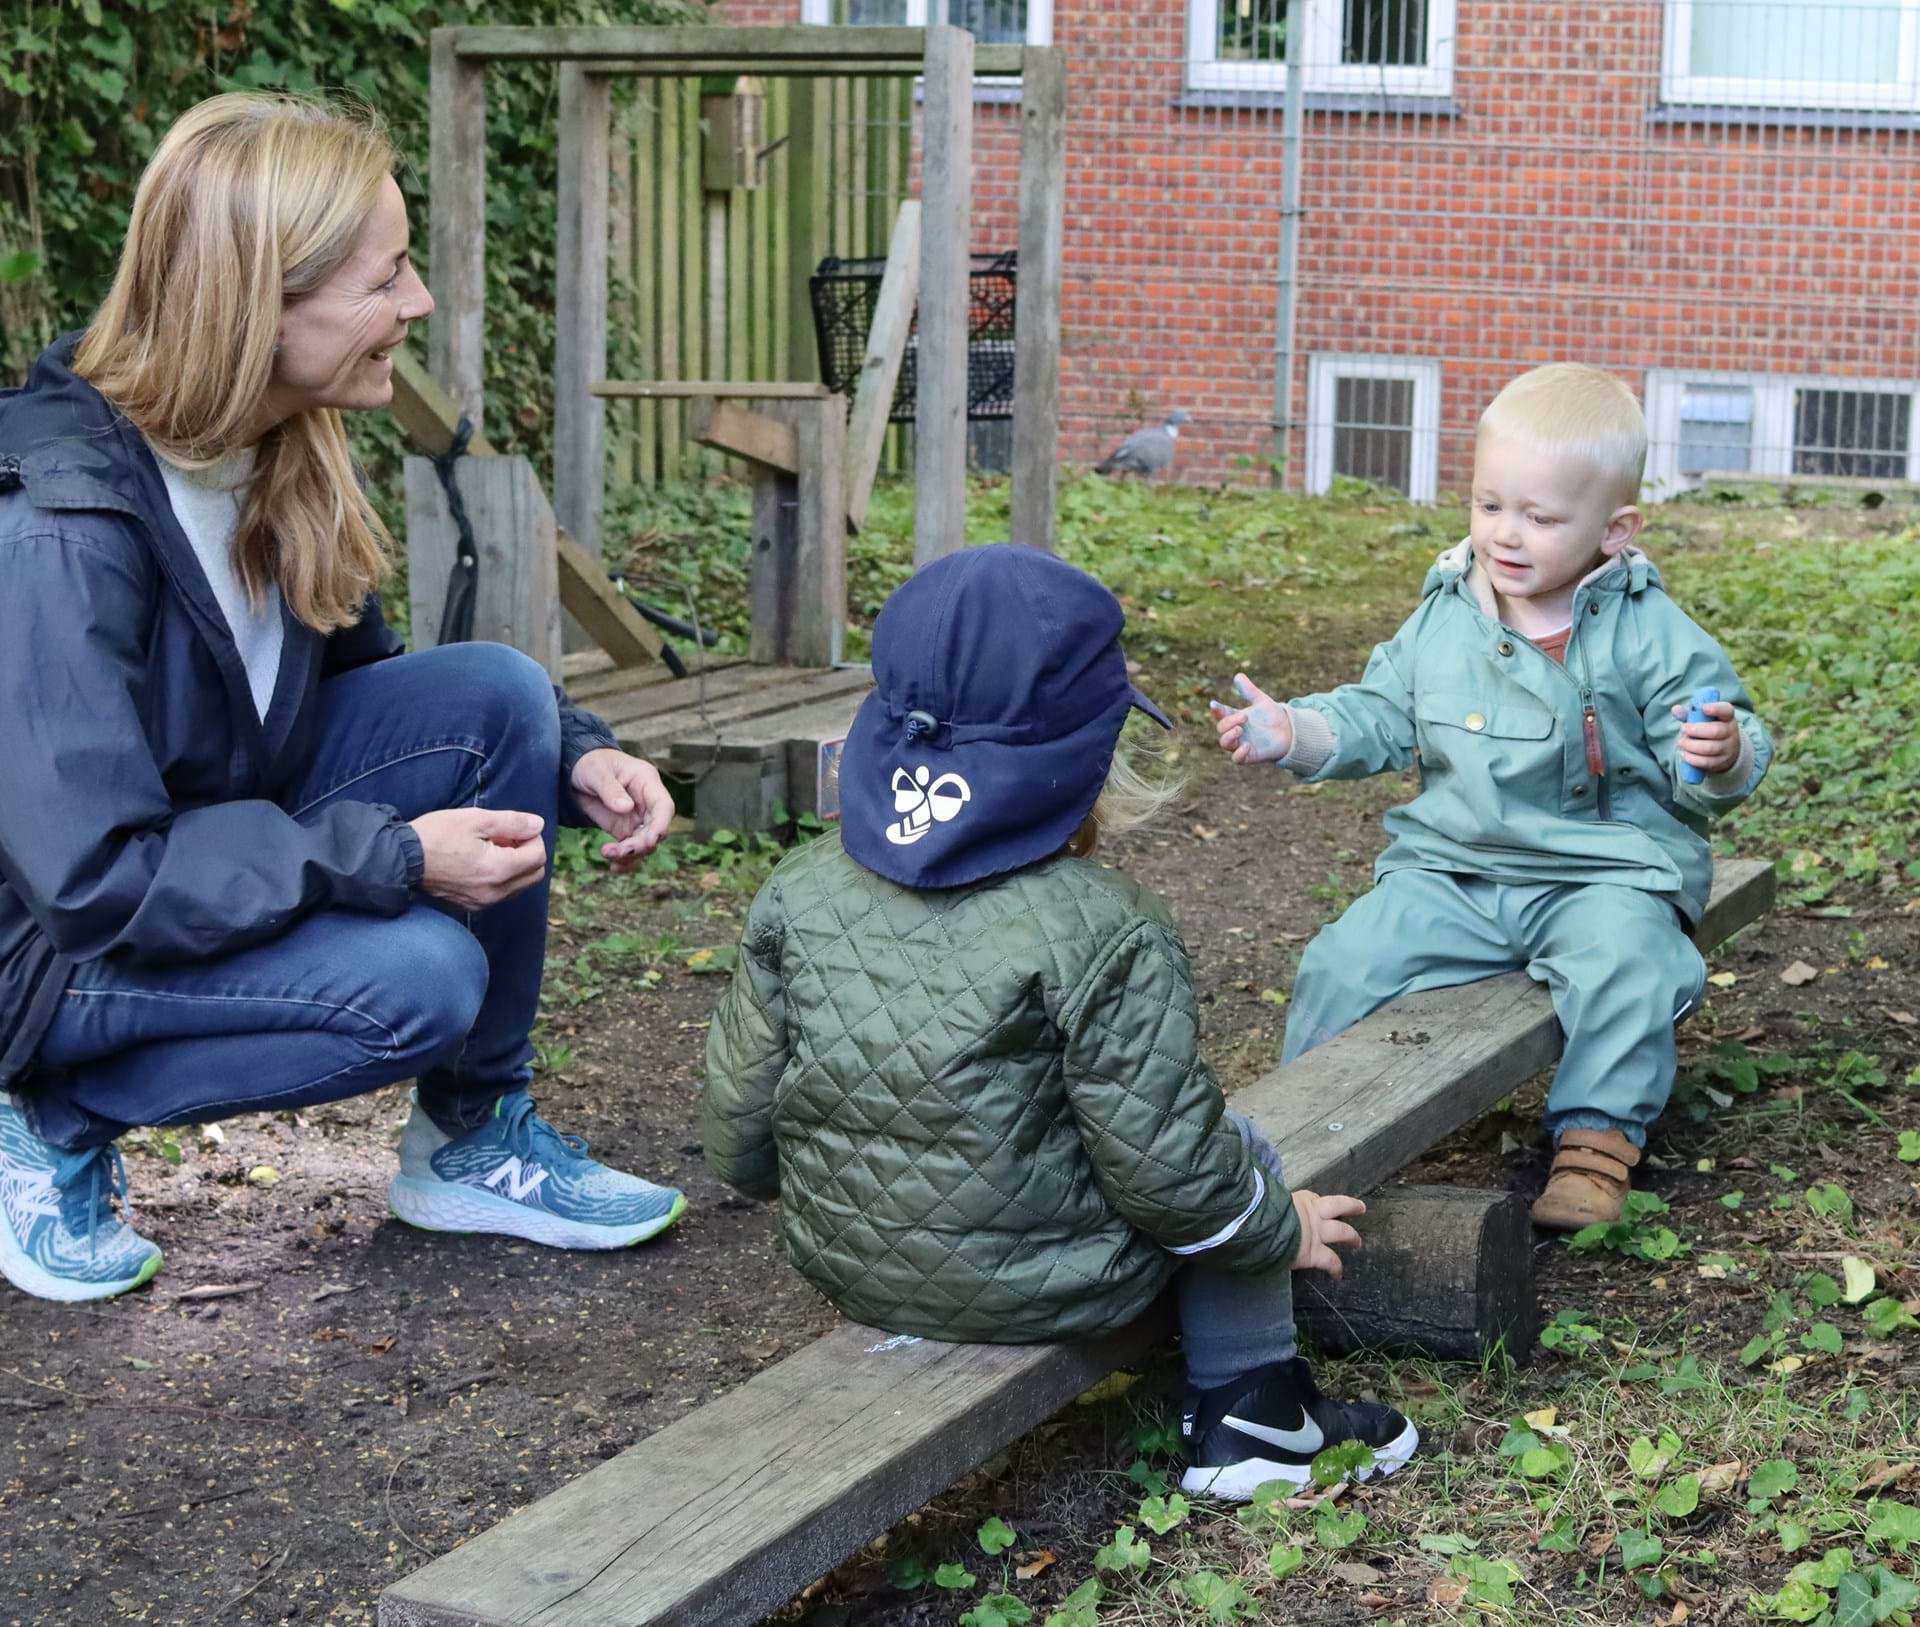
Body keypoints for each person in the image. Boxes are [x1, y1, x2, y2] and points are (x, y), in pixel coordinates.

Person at [0, 93, 686, 1305]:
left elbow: (373, 697)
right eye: (388, 278)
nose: (416, 305)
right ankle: (47, 1116)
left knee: (498, 695)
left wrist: (570, 753)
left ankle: (474, 1138)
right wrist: (390, 858)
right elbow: (100, 878)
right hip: (53, 953)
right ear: (262, 304)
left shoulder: (276, 443)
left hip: (196, 854)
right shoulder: (61, 525)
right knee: (420, 979)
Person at [701, 545, 1418, 1500]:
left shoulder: (798, 889)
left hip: (853, 1264)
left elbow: (737, 1140)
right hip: (1058, 1280)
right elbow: (1174, 1178)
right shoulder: (1104, 926)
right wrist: (1273, 1227)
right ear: (1084, 761)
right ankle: (1258, 1421)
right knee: (1234, 1149)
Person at [1213, 363, 1772, 1230]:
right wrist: (1299, 731)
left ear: (1615, 529)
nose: (1506, 536)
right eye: (1488, 506)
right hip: (1455, 871)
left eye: (1542, 518)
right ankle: (1304, 1137)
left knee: (1632, 957)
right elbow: (1381, 710)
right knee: (1343, 961)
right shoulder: (1448, 616)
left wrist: (1719, 751)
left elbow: (1708, 729)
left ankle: (1595, 1140)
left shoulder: (1645, 628)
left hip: (1601, 870)